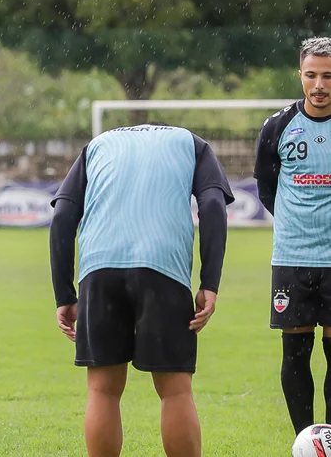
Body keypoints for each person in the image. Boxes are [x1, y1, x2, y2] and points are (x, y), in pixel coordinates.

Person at [49, 122, 233, 457]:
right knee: (175, 392)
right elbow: (212, 207)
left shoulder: (99, 144)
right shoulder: (192, 144)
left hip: (99, 268)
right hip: (163, 267)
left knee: (102, 391)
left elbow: (62, 214)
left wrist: (64, 294)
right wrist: (209, 283)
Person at [254, 36, 331, 437]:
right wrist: (296, 224)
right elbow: (267, 188)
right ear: (300, 74)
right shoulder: (278, 126)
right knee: (296, 354)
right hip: (293, 258)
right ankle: (305, 440)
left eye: (329, 76)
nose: (320, 85)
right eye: (312, 75)